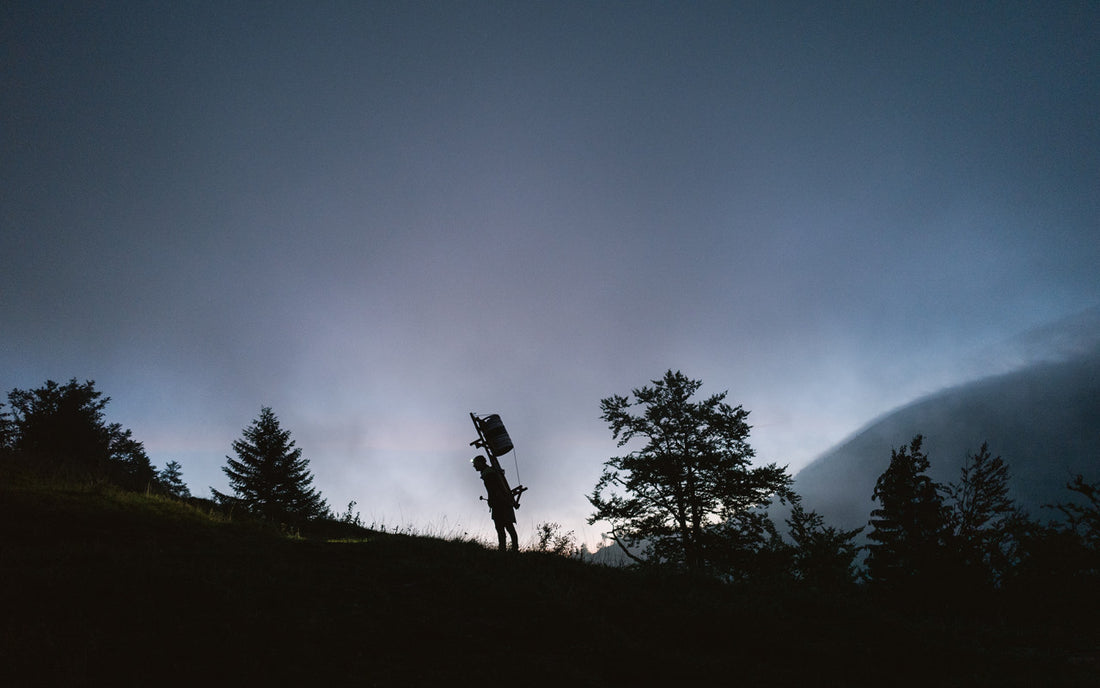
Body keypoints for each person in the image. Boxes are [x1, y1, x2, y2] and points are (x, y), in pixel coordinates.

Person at [472, 455, 519, 551]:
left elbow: (494, 490)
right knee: (507, 527)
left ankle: (505, 550)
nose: (474, 466)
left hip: (500, 504)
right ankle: (512, 550)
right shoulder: (490, 472)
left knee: (503, 528)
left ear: (481, 463)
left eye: (475, 464)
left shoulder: (488, 474)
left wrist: (492, 500)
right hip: (503, 503)